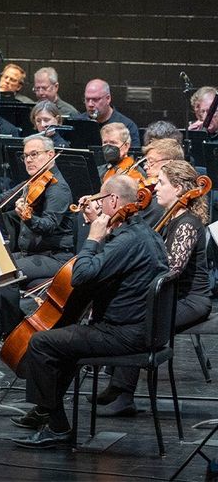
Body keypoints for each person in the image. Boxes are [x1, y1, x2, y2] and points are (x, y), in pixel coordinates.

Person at [12, 175, 167, 448]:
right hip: (144, 330)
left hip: (123, 334)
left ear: (114, 201)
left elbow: (81, 275)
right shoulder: (144, 233)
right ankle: (45, 412)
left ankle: (57, 427)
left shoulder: (126, 241)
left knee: (42, 343)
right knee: (65, 343)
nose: (96, 204)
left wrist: (93, 238)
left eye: (100, 199)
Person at [92, 160, 211, 416]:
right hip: (173, 296)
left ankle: (123, 394)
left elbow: (171, 270)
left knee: (141, 320)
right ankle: (118, 387)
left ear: (179, 188)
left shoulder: (188, 223)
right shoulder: (171, 218)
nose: (155, 187)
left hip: (191, 300)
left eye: (161, 183)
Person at [0, 135, 75, 352]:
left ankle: (11, 334)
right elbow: (2, 199)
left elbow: (49, 225)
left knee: (4, 274)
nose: (29, 160)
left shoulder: (58, 189)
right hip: (30, 255)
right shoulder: (32, 182)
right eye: (25, 156)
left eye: (35, 154)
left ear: (50, 155)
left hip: (54, 257)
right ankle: (20, 326)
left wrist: (28, 217)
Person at [74, 79, 141, 147]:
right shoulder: (76, 123)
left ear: (108, 98)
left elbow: (133, 155)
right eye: (87, 99)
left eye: (95, 99)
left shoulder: (127, 126)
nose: (90, 104)